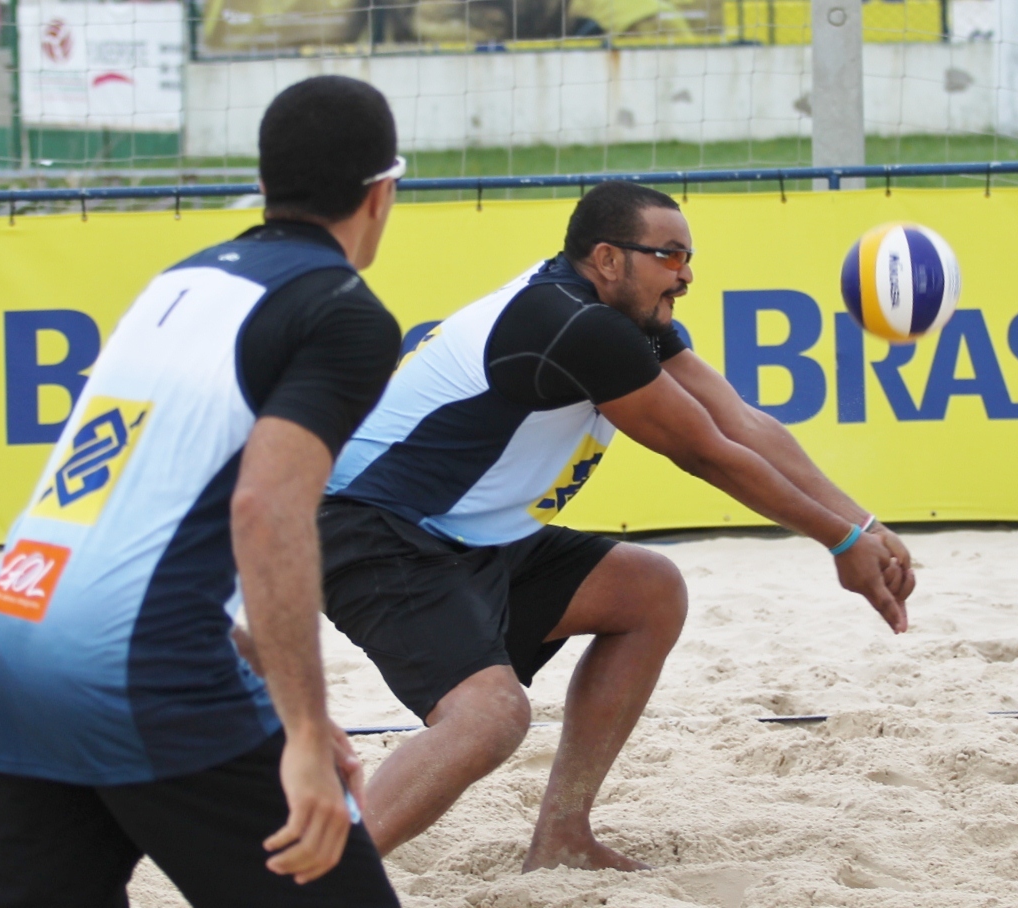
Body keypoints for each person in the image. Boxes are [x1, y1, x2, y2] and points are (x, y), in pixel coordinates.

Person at [317, 180, 917, 873]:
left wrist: (861, 522)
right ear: (606, 258)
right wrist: (839, 542)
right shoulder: (574, 325)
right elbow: (703, 452)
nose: (686, 275)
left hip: (465, 533)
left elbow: (741, 421)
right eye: (669, 256)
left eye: (687, 257)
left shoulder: (628, 320)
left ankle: (562, 837)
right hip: (370, 528)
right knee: (489, 718)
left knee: (647, 589)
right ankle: (315, 883)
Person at [0, 75, 405, 907]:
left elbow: (142, 526)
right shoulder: (344, 311)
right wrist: (306, 734)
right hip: (143, 664)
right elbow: (264, 509)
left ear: (266, 182)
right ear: (382, 193)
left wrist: (286, 707)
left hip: (14, 639)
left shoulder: (179, 281)